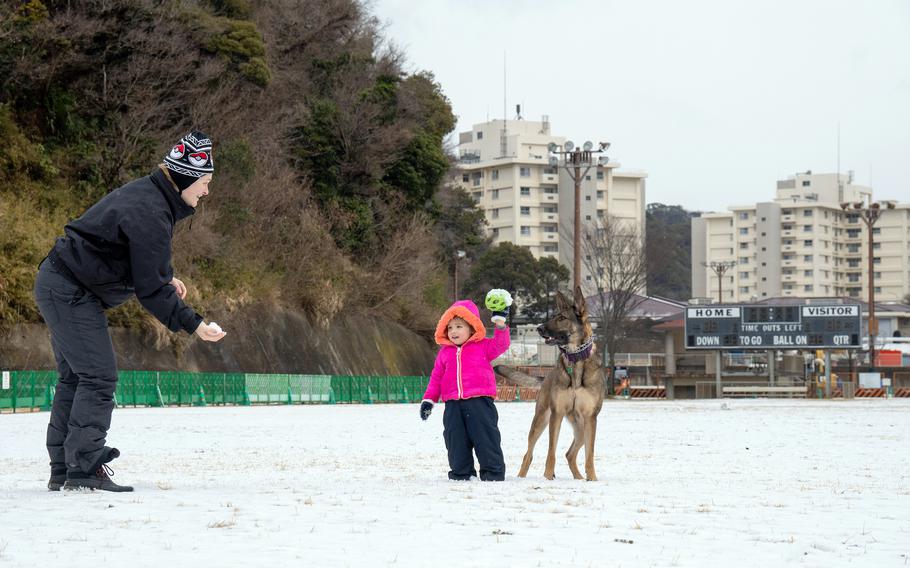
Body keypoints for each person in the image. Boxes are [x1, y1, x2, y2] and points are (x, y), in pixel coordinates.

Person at [33, 131, 227, 492]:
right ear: (185, 178)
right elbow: (150, 290)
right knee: (98, 376)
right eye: (204, 182)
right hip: (70, 290)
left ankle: (65, 467)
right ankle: (84, 465)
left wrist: (164, 277)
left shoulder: (149, 198)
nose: (206, 191)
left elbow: (133, 259)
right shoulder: (151, 211)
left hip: (59, 282)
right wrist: (195, 323)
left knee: (77, 378)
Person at [419, 290, 512, 481]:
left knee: (485, 437)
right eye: (450, 327)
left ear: (472, 328)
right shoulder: (445, 353)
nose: (453, 331)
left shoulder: (483, 346)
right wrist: (428, 400)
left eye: (459, 326)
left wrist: (501, 324)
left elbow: (501, 345)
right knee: (455, 439)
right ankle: (461, 472)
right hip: (453, 404)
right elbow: (436, 378)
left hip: (480, 402)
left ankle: (492, 472)